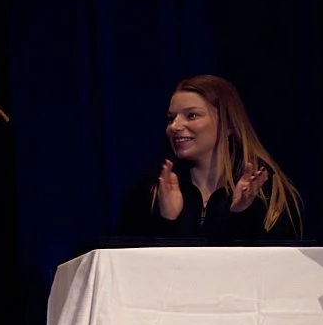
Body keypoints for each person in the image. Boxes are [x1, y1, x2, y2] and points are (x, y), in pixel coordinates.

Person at [118, 74, 302, 241]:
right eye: (171, 118)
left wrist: (241, 214)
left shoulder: (268, 192)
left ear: (229, 123)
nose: (174, 126)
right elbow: (130, 268)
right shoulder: (151, 190)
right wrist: (167, 222)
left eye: (192, 115)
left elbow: (278, 269)